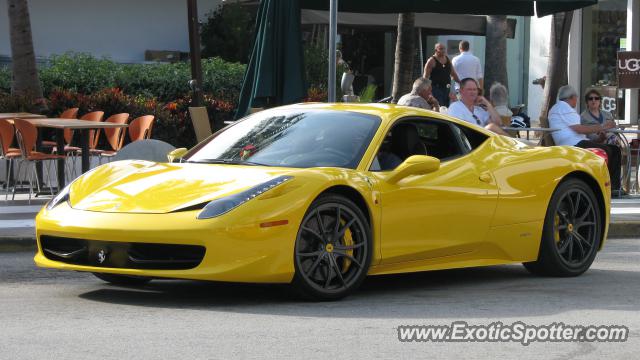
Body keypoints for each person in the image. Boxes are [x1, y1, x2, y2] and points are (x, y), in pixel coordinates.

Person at [549, 85, 621, 194]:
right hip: (574, 144)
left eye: (596, 99)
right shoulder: (564, 107)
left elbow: (579, 131)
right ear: (572, 97)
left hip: (575, 142)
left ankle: (613, 187)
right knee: (610, 151)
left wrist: (599, 137)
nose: (576, 101)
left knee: (614, 149)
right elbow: (580, 129)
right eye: (576, 99)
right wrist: (603, 126)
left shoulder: (558, 107)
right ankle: (611, 188)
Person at [423, 43, 460, 107]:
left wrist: (461, 83)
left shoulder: (447, 59)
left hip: (447, 89)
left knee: (446, 107)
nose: (443, 50)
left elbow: (453, 74)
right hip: (435, 89)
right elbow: (425, 77)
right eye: (441, 49)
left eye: (444, 49)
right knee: (439, 107)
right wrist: (427, 91)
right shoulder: (431, 61)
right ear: (436, 50)